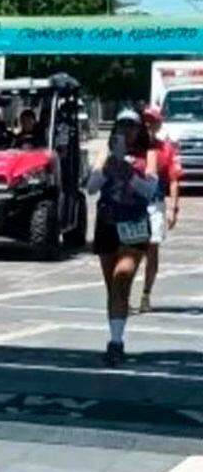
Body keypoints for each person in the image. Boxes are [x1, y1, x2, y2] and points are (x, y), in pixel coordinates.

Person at [88, 110, 158, 366]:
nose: (127, 130)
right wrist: (107, 170)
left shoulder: (147, 155)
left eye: (132, 125)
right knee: (114, 288)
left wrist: (129, 174)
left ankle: (115, 342)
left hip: (134, 223)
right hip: (107, 223)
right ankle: (116, 338)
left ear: (140, 130)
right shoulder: (105, 153)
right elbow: (92, 187)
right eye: (122, 125)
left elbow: (151, 189)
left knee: (123, 275)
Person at [140, 106, 183, 313]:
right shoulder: (131, 147)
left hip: (155, 203)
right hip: (131, 205)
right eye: (145, 120)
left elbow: (174, 179)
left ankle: (146, 294)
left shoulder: (166, 149)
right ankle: (123, 293)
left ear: (158, 124)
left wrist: (173, 208)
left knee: (152, 249)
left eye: (152, 121)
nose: (148, 124)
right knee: (129, 250)